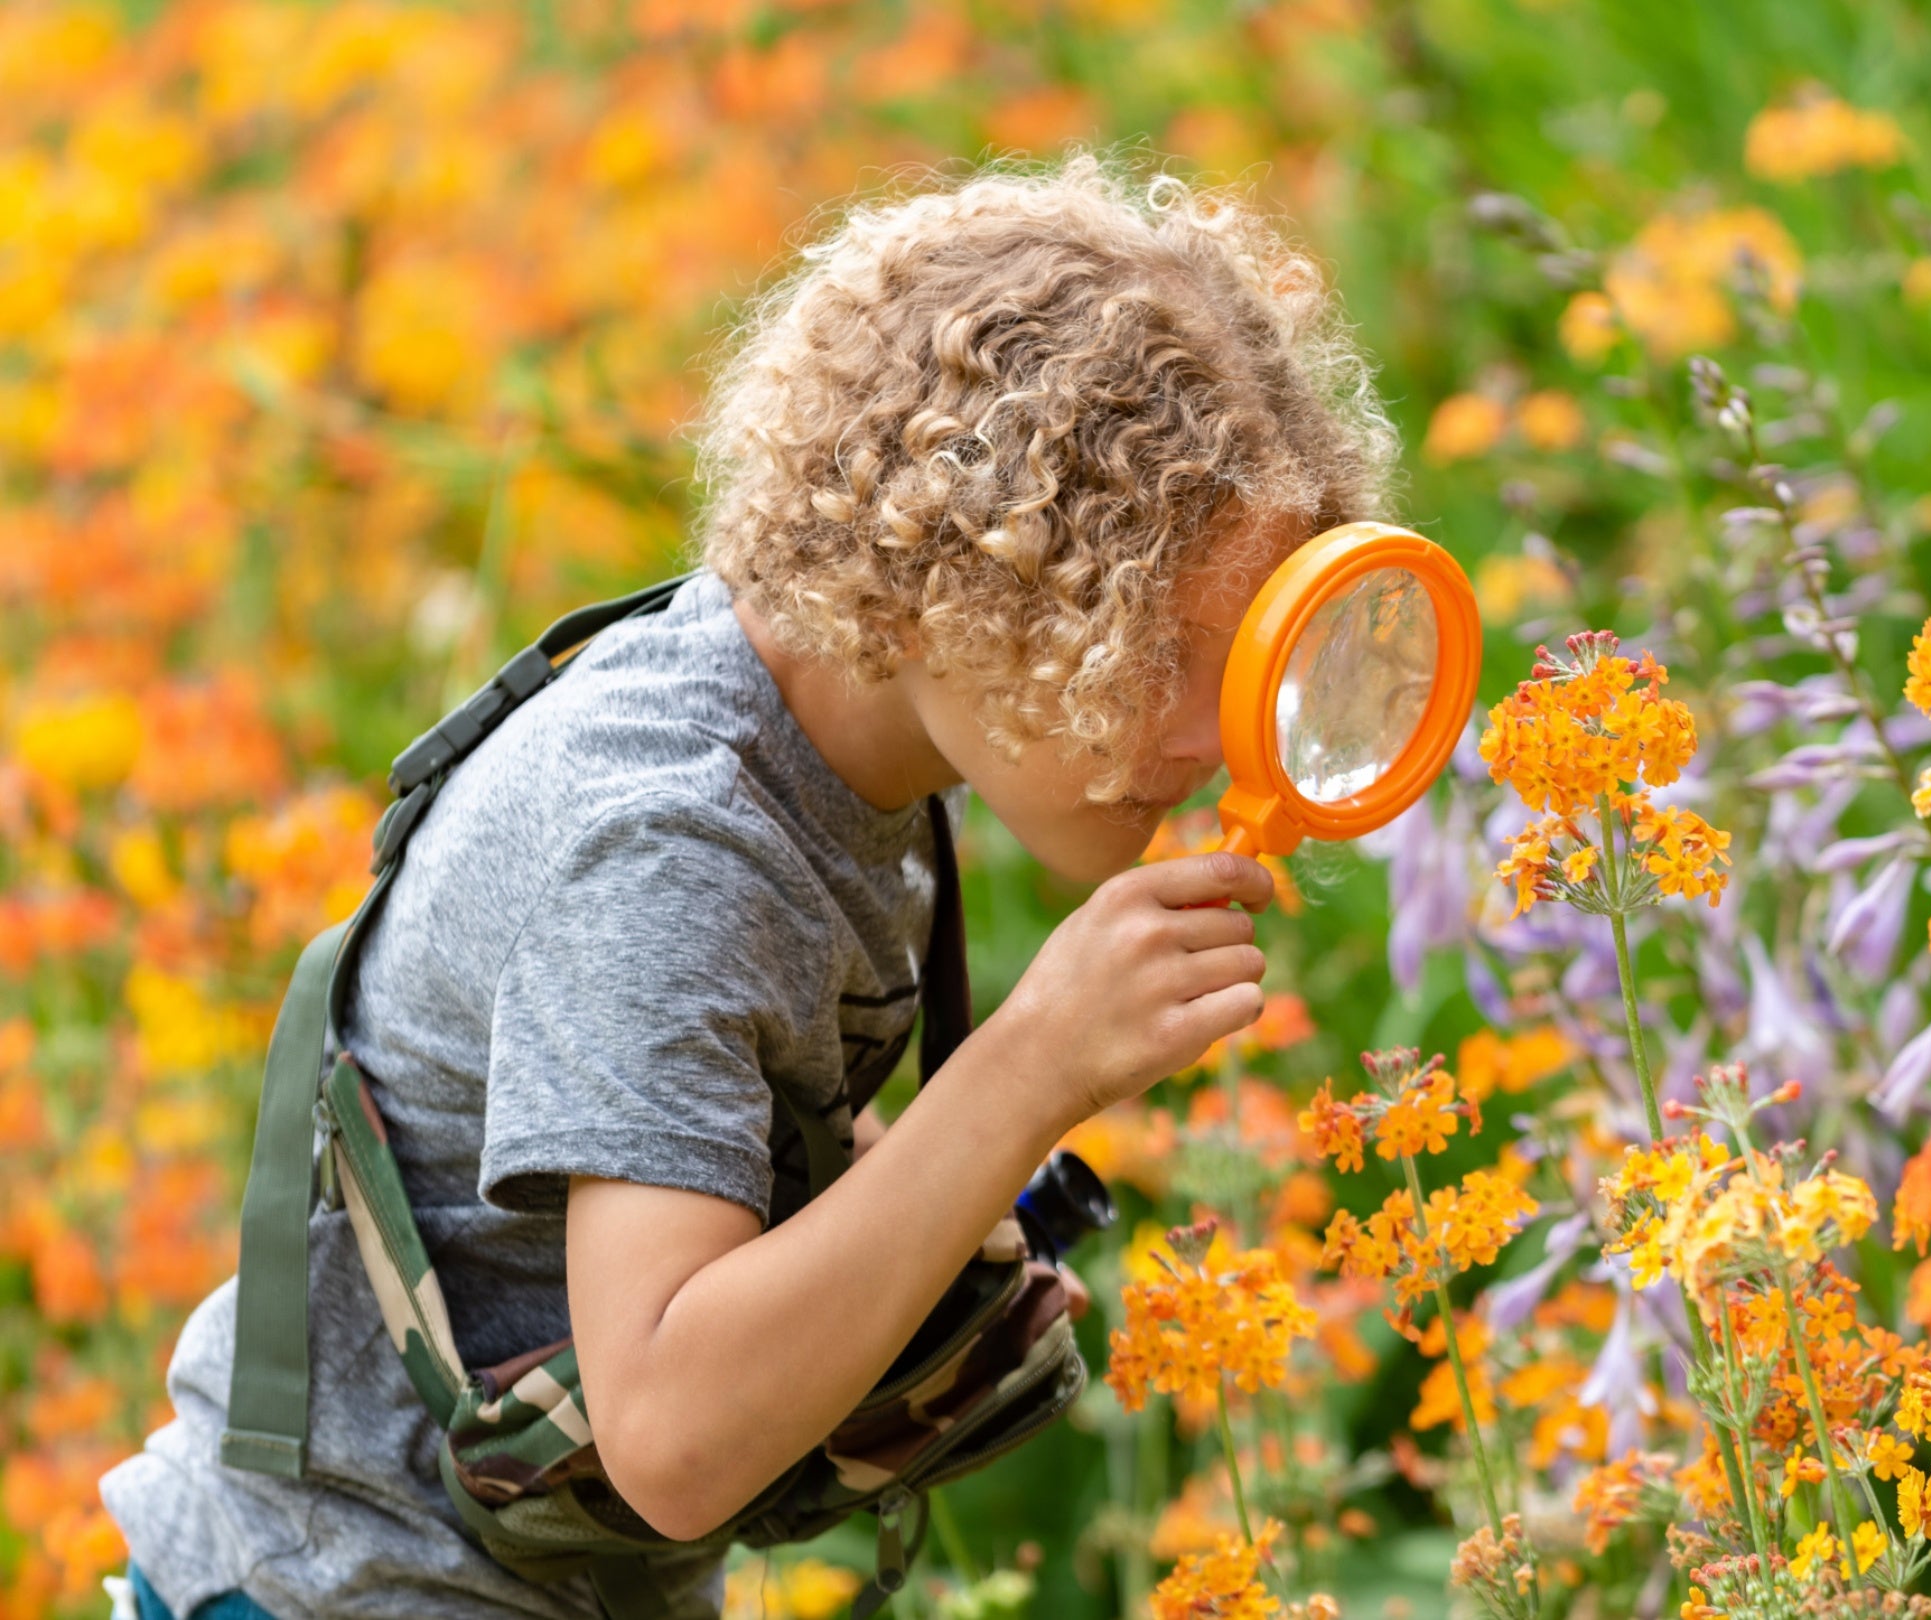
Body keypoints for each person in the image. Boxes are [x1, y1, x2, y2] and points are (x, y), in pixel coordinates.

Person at [98, 153, 1399, 1620]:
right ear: (955, 588)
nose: (1206, 734)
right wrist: (1026, 1074)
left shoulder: (841, 738)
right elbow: (668, 1439)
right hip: (339, 1583)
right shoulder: (672, 847)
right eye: (1161, 656)